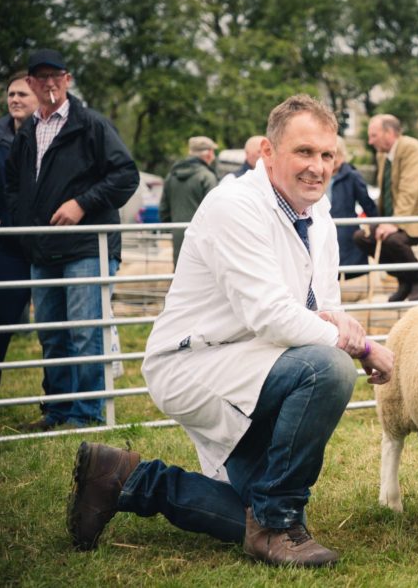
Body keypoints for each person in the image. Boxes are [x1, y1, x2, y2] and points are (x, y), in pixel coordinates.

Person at [65, 94, 394, 568]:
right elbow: (273, 316)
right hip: (196, 362)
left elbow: (323, 305)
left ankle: (124, 478)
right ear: (268, 152)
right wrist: (361, 346)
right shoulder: (235, 206)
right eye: (303, 151)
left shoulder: (317, 214)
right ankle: (278, 523)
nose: (317, 167)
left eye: (326, 155)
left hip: (259, 360)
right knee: (329, 369)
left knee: (246, 509)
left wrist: (341, 327)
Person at [6, 49, 139, 430]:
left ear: (68, 80)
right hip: (42, 247)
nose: (48, 83)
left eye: (56, 76)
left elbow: (125, 175)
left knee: (85, 331)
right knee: (51, 333)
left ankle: (85, 414)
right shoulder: (28, 131)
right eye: (40, 77)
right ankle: (58, 410)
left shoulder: (91, 125)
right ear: (30, 83)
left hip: (85, 246)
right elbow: (13, 183)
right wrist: (23, 219)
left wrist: (82, 204)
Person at [353, 114, 418, 302]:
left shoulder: (410, 148)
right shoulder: (383, 155)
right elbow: (386, 192)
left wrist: (394, 223)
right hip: (402, 216)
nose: (370, 141)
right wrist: (379, 222)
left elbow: (409, 189)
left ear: (389, 133)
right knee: (362, 238)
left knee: (392, 240)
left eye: (374, 135)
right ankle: (404, 278)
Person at [0, 71, 39, 387]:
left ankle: (58, 404)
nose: (14, 100)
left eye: (22, 94)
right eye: (11, 94)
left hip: (44, 242)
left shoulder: (49, 134)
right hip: (7, 243)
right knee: (1, 321)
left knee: (55, 326)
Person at [160, 136, 219, 266]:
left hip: (178, 236)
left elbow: (164, 209)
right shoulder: (207, 177)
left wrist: (173, 229)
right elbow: (215, 210)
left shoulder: (172, 175)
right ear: (209, 153)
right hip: (203, 238)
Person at [329, 135, 378, 278]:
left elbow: (366, 202)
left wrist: (376, 224)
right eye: (330, 154)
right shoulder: (319, 175)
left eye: (338, 154)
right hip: (325, 227)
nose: (335, 158)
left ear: (344, 155)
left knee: (344, 268)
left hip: (345, 229)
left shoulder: (352, 176)